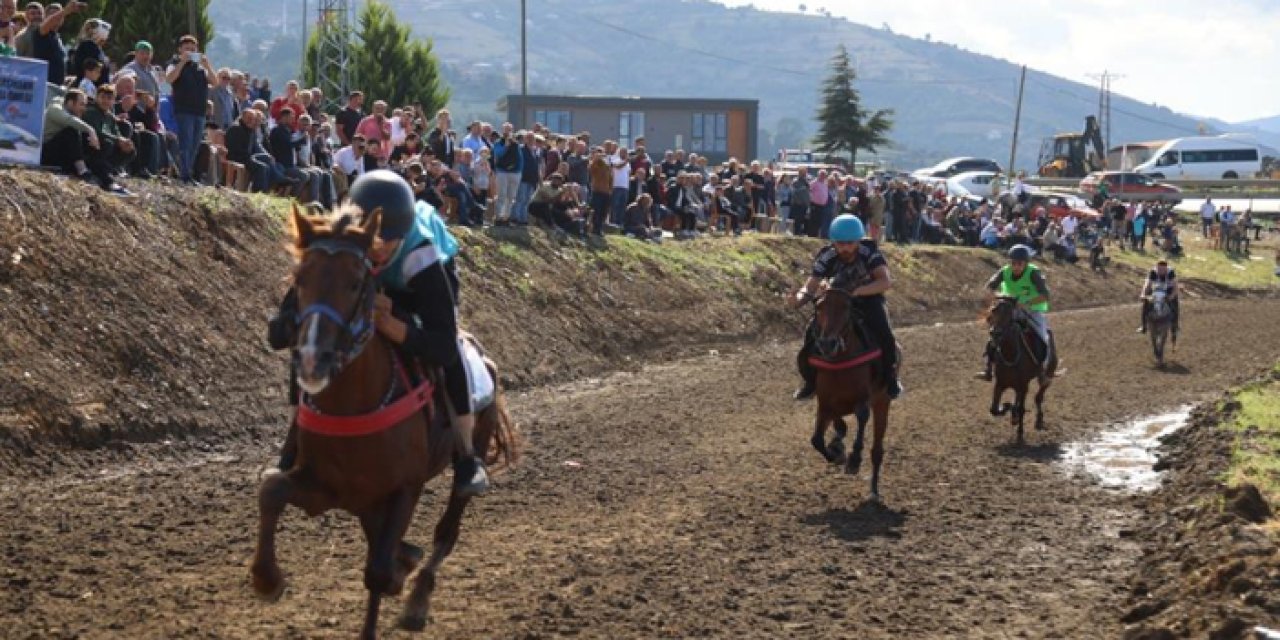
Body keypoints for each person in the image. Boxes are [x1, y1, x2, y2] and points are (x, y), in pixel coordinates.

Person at [266, 170, 489, 497]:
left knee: (453, 354)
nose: (380, 251)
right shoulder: (341, 242)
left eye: (389, 242)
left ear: (402, 235)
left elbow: (441, 345)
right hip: (365, 286)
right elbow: (283, 328)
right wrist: (291, 324)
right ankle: (293, 441)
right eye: (374, 242)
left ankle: (466, 455)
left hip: (419, 294)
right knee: (312, 341)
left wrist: (398, 325)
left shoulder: (421, 256)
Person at [789, 214, 902, 400]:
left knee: (884, 332)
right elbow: (810, 286)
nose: (845, 248)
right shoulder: (827, 255)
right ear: (833, 242)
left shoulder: (870, 252)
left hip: (867, 298)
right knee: (811, 332)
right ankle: (809, 381)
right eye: (840, 243)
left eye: (850, 243)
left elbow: (884, 281)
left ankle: (890, 377)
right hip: (837, 302)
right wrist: (798, 300)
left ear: (858, 241)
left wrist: (859, 291)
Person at [976, 244, 1054, 381]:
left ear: (1026, 264)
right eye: (1013, 263)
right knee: (996, 332)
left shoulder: (1034, 273)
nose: (1016, 267)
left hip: (1032, 310)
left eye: (1020, 264)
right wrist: (999, 296)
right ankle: (988, 368)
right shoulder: (1004, 271)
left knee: (1042, 336)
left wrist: (1027, 303)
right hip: (1011, 309)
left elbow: (1045, 295)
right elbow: (989, 288)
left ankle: (1042, 370)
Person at [1137, 259, 1179, 337]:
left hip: (1169, 290)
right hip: (1156, 290)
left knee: (1174, 306)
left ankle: (1174, 327)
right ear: (1157, 267)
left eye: (1163, 269)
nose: (1161, 271)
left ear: (1166, 268)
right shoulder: (1153, 272)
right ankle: (1144, 326)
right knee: (1146, 304)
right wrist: (1143, 295)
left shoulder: (1170, 273)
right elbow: (1147, 285)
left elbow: (1176, 287)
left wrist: (1171, 296)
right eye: (1159, 269)